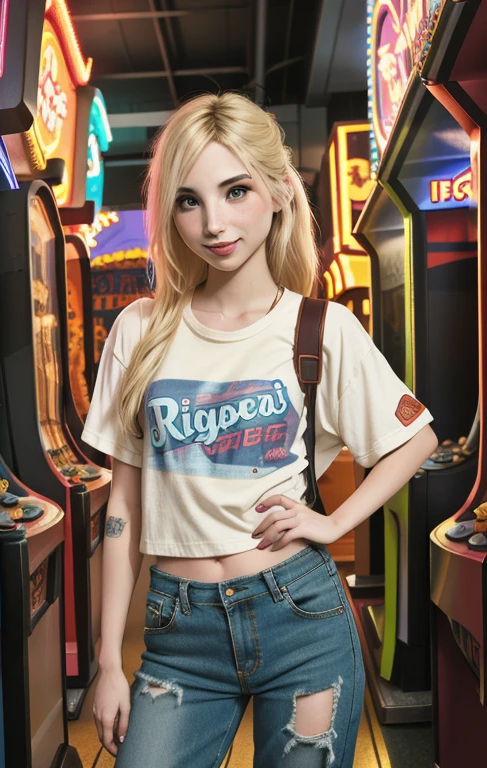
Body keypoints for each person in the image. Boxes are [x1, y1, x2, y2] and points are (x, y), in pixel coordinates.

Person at [81, 91, 437, 767]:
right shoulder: (140, 331)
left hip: (301, 617)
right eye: (189, 200)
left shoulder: (319, 330)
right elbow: (122, 508)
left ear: (277, 193)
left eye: (235, 190)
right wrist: (105, 661)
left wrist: (335, 525)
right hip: (178, 633)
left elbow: (416, 435)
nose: (213, 222)